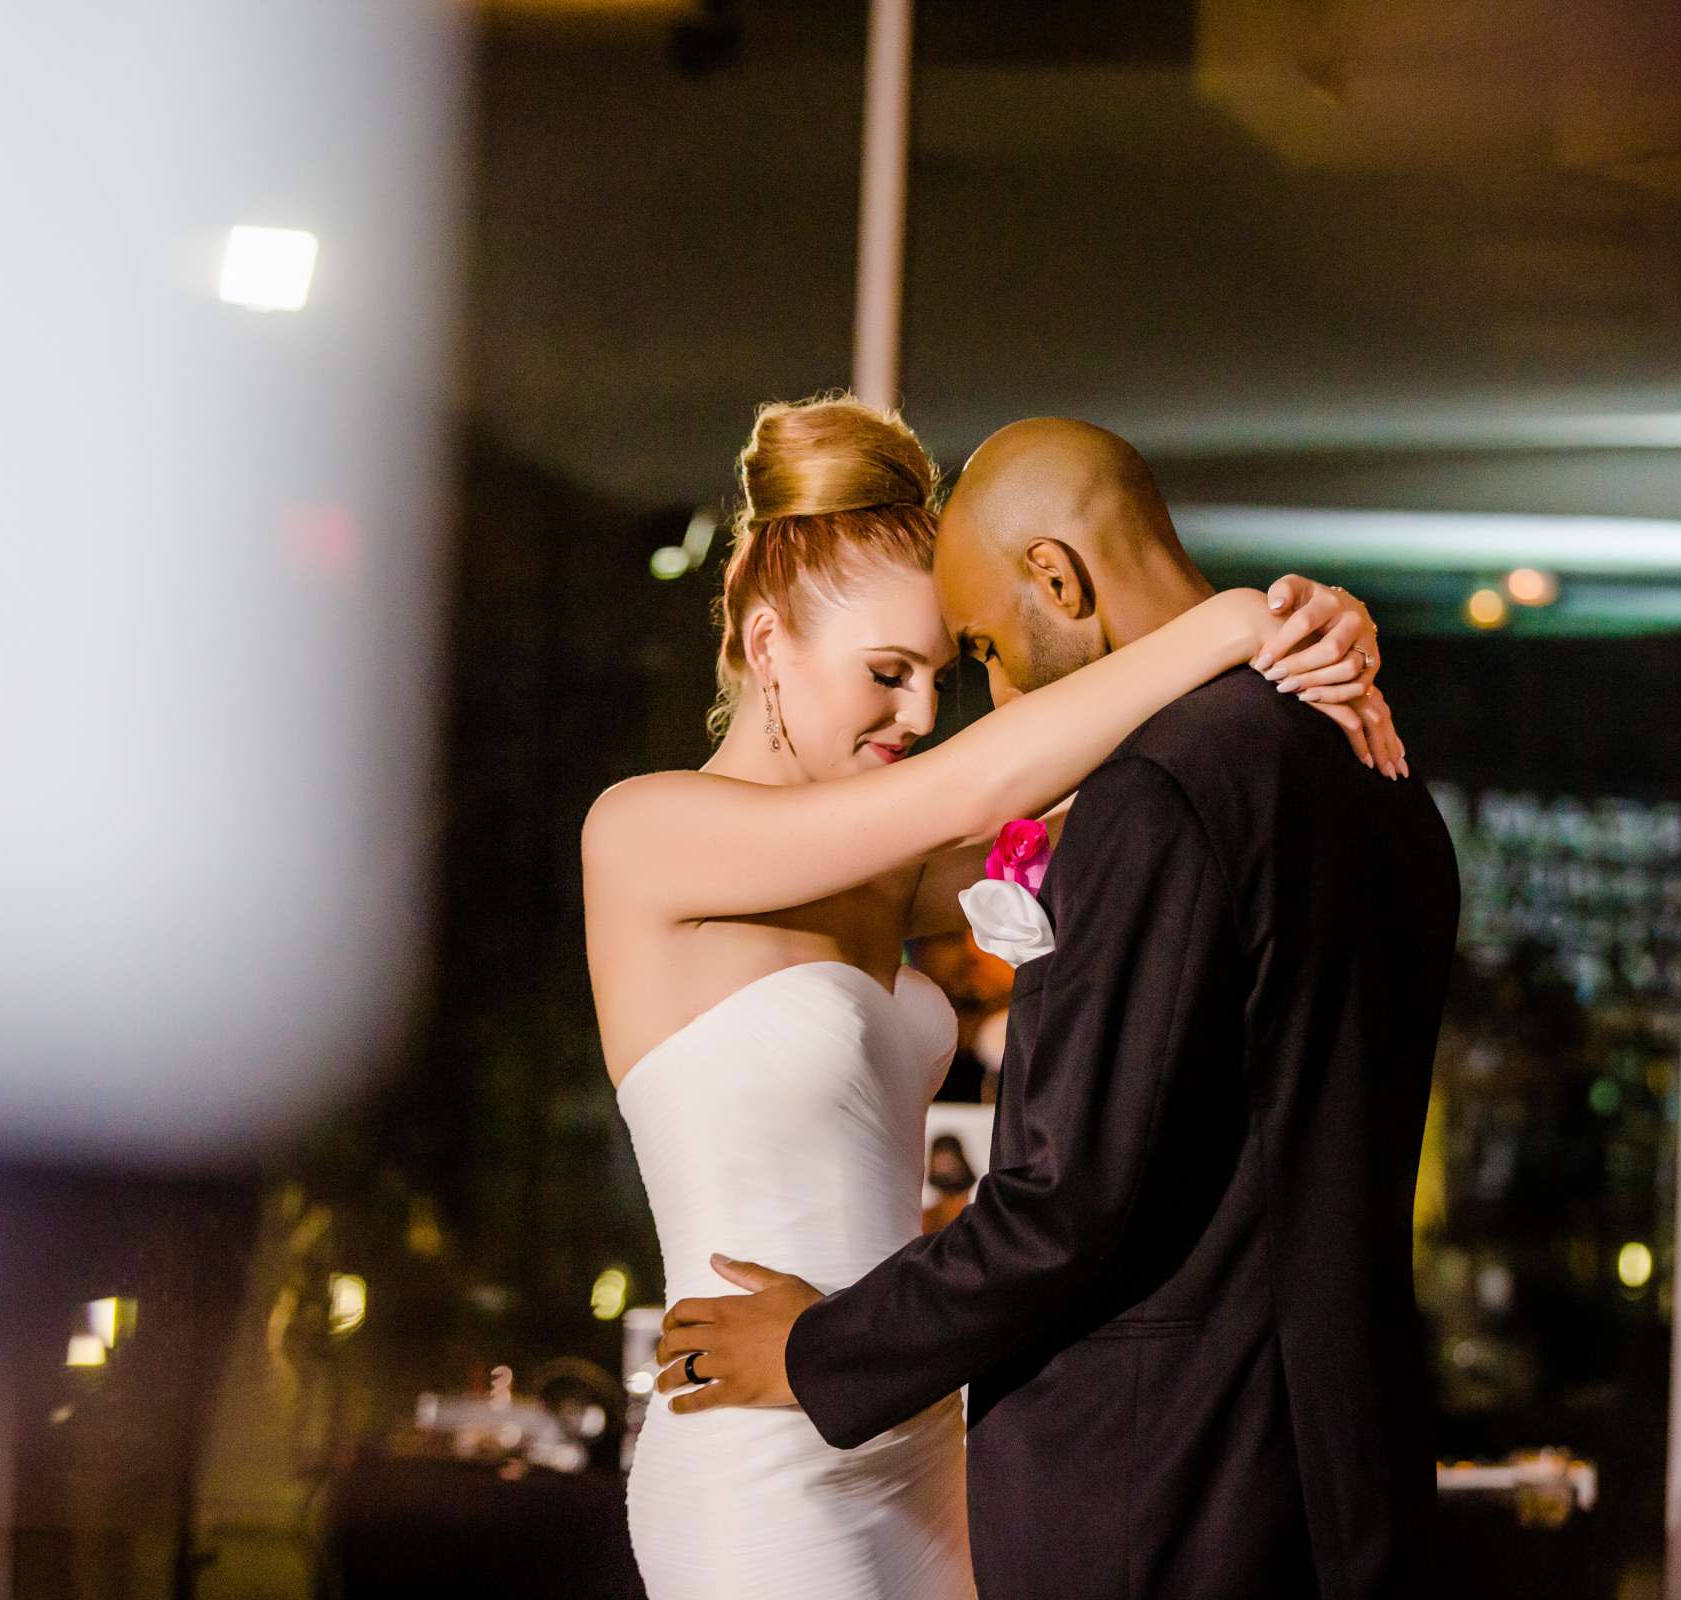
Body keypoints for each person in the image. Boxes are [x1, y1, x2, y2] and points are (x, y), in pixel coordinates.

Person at [585, 396, 1401, 1600]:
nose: (921, 713)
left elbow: (1157, 803)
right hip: (764, 1440)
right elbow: (985, 789)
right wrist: (1232, 621)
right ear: (767, 646)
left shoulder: (894, 867)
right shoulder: (645, 833)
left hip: (931, 1434)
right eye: (888, 672)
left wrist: (1299, 636)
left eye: (937, 670)